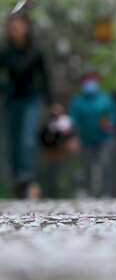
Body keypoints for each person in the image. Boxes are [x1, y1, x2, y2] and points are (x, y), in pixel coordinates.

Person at [0, 13, 52, 198]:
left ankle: (27, 177)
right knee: (12, 141)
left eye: (18, 26)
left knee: (27, 138)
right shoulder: (5, 52)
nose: (15, 30)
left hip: (31, 99)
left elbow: (45, 78)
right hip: (12, 100)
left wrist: (51, 103)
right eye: (11, 27)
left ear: (26, 28)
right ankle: (17, 180)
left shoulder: (36, 51)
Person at [69, 72, 116, 197]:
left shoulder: (106, 99)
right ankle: (86, 191)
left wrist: (109, 122)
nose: (90, 84)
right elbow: (73, 119)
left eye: (93, 80)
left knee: (105, 163)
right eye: (87, 81)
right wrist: (73, 136)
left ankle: (106, 192)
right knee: (86, 165)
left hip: (104, 138)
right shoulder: (78, 101)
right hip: (86, 139)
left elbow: (114, 115)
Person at [39, 104, 78, 198]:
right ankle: (50, 192)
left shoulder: (67, 121)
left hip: (64, 151)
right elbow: (43, 137)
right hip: (51, 151)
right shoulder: (48, 123)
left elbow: (72, 135)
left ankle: (67, 192)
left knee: (65, 173)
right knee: (51, 173)